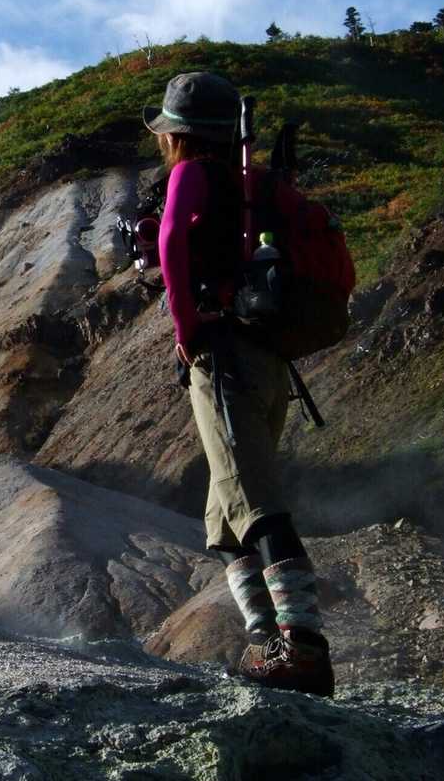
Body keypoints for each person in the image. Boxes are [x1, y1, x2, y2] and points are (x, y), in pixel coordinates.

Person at [142, 70, 334, 697]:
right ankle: (265, 641)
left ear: (179, 134)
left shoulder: (192, 173)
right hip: (268, 359)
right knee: (224, 516)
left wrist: (185, 329)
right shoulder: (253, 185)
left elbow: (172, 241)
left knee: (253, 502)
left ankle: (302, 648)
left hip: (223, 357)